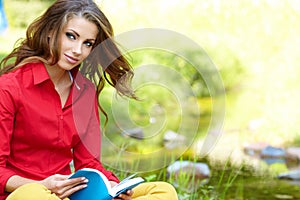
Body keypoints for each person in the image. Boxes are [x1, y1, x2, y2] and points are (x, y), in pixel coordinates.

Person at [0, 0, 178, 200]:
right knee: (34, 195)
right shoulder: (9, 88)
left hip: (68, 194)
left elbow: (89, 163)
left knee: (163, 191)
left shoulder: (85, 91)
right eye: (71, 36)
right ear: (51, 31)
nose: (78, 50)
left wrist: (113, 186)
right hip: (22, 193)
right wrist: (42, 185)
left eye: (88, 43)